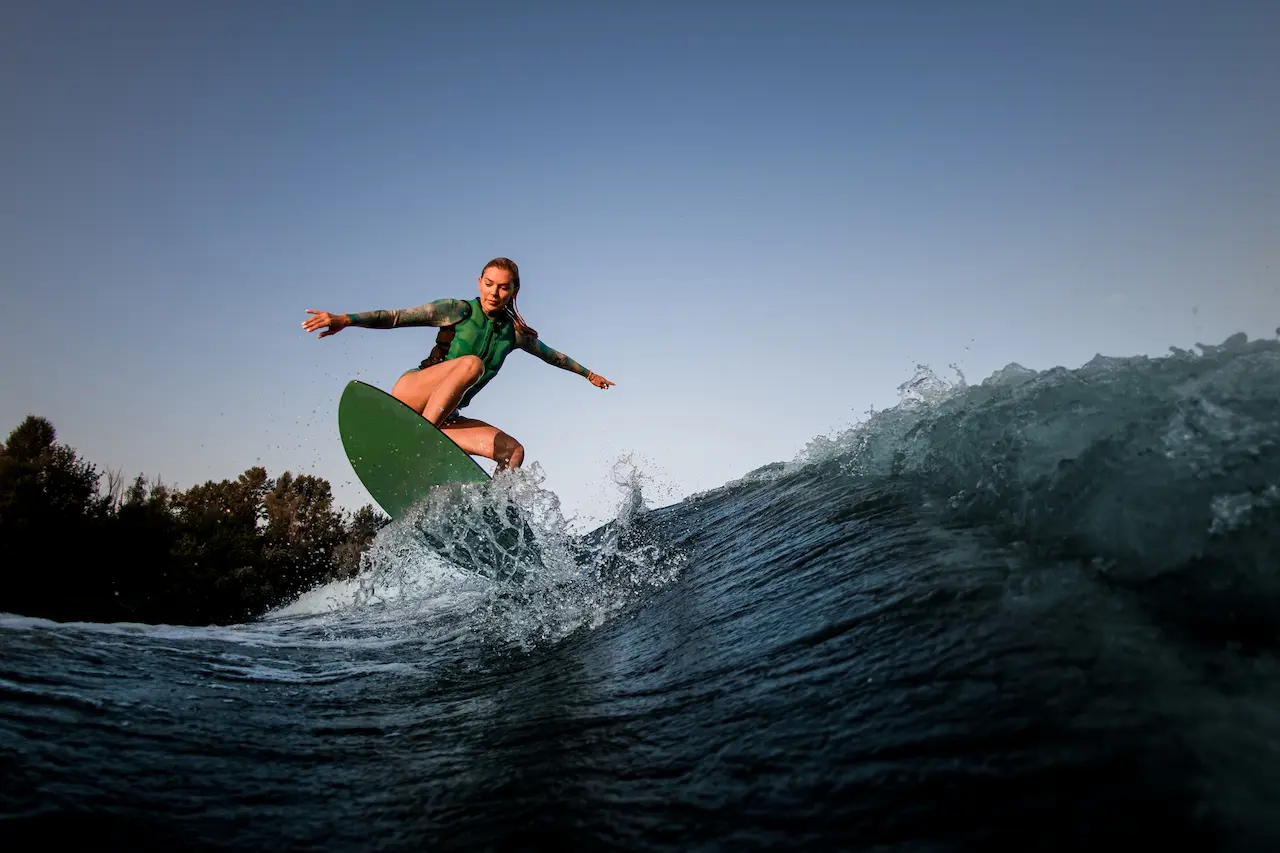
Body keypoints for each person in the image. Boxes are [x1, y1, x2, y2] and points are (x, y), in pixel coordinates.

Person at [302, 257, 614, 471]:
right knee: (472, 365)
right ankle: (421, 437)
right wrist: (346, 319)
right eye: (489, 283)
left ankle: (494, 513)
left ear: (514, 291)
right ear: (480, 283)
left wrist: (588, 374)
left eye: (503, 287)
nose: (495, 292)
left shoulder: (514, 334)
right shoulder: (458, 310)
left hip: (442, 419)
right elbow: (396, 317)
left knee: (513, 452)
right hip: (414, 395)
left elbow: (551, 355)